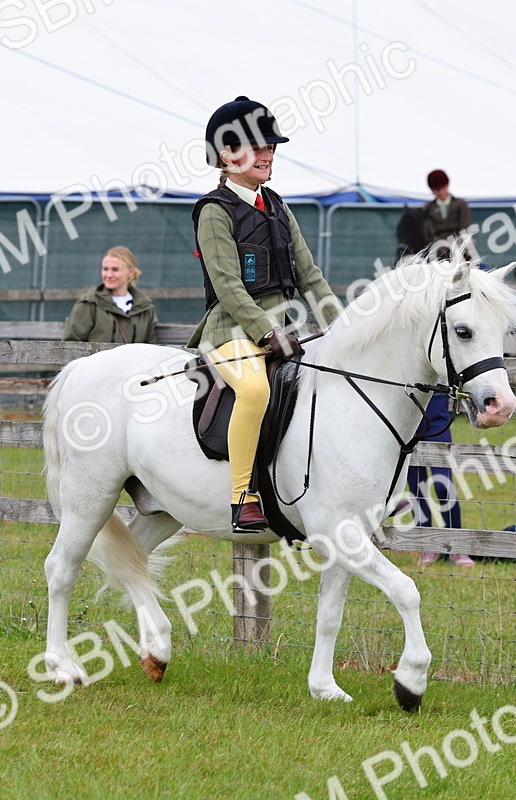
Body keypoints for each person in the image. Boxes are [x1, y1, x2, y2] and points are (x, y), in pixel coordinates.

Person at [191, 95, 342, 533]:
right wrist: (267, 331)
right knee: (254, 391)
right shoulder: (214, 211)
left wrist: (341, 325)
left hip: (285, 328)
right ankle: (242, 496)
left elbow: (310, 275)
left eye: (271, 147)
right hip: (231, 331)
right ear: (226, 154)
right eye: (257, 147)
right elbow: (228, 286)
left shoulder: (277, 205)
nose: (267, 155)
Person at [406, 392, 474, 567]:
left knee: (443, 484)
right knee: (417, 485)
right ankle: (427, 545)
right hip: (408, 408)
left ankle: (456, 545)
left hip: (437, 408)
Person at [63, 246, 159, 344]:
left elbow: (151, 348)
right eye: (105, 269)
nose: (109, 275)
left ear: (130, 272)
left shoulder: (145, 308)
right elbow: (71, 345)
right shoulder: (89, 304)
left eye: (115, 269)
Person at [423, 169, 478, 262]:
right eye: (437, 190)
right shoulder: (427, 209)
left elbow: (465, 228)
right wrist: (443, 244)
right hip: (438, 247)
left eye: (443, 188)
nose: (441, 192)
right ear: (432, 190)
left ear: (447, 185)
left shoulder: (461, 204)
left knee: (469, 246)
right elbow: (430, 233)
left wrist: (455, 245)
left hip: (459, 243)